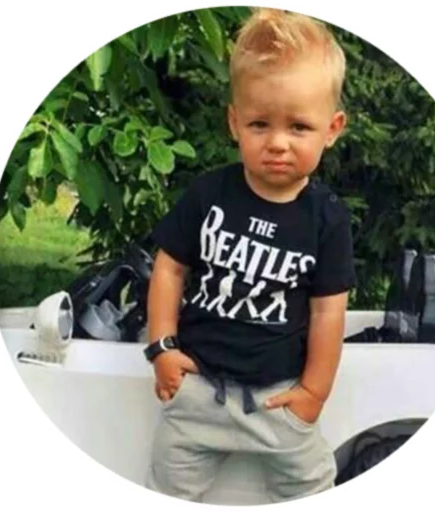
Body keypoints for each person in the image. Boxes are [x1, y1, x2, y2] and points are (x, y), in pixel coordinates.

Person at [143, 7, 356, 504]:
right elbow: (169, 268)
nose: (277, 143)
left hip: (280, 399)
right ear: (234, 122)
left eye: (299, 127)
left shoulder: (328, 220)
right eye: (260, 123)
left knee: (312, 489)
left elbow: (328, 312)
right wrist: (161, 347)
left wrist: (313, 393)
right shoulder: (207, 194)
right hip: (196, 392)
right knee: (166, 489)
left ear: (331, 128)